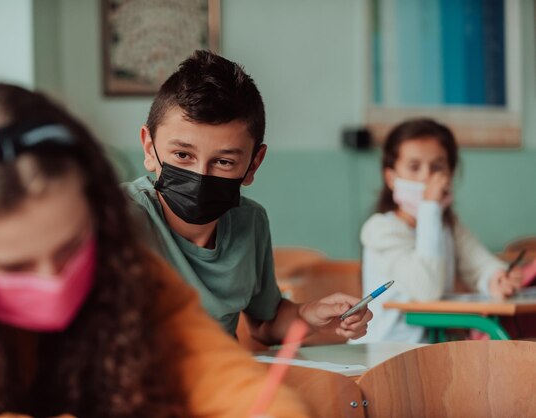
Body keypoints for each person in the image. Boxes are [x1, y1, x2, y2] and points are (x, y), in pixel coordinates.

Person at [0, 80, 309, 417]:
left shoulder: (128, 276)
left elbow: (223, 378)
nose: (54, 281)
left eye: (70, 249)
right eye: (14, 268)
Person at [123, 50, 372, 345]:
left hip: (223, 383)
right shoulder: (118, 218)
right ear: (150, 149)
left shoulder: (250, 223)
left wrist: (309, 315)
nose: (201, 174)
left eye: (224, 162)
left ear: (253, 164)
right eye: (182, 155)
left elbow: (265, 325)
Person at [356, 118, 523, 343]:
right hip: (385, 350)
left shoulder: (448, 226)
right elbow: (427, 289)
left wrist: (496, 278)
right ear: (391, 178)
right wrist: (430, 207)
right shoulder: (380, 229)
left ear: (450, 175)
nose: (426, 177)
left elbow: (480, 264)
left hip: (435, 349)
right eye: (414, 167)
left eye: (437, 167)